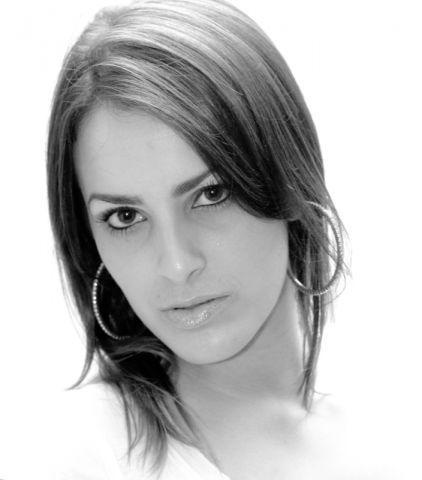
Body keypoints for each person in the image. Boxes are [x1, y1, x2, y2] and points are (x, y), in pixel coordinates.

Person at [44, 0, 357, 478]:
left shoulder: (392, 435)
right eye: (125, 216)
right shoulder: (75, 453)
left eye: (212, 194)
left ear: (290, 175)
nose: (176, 264)